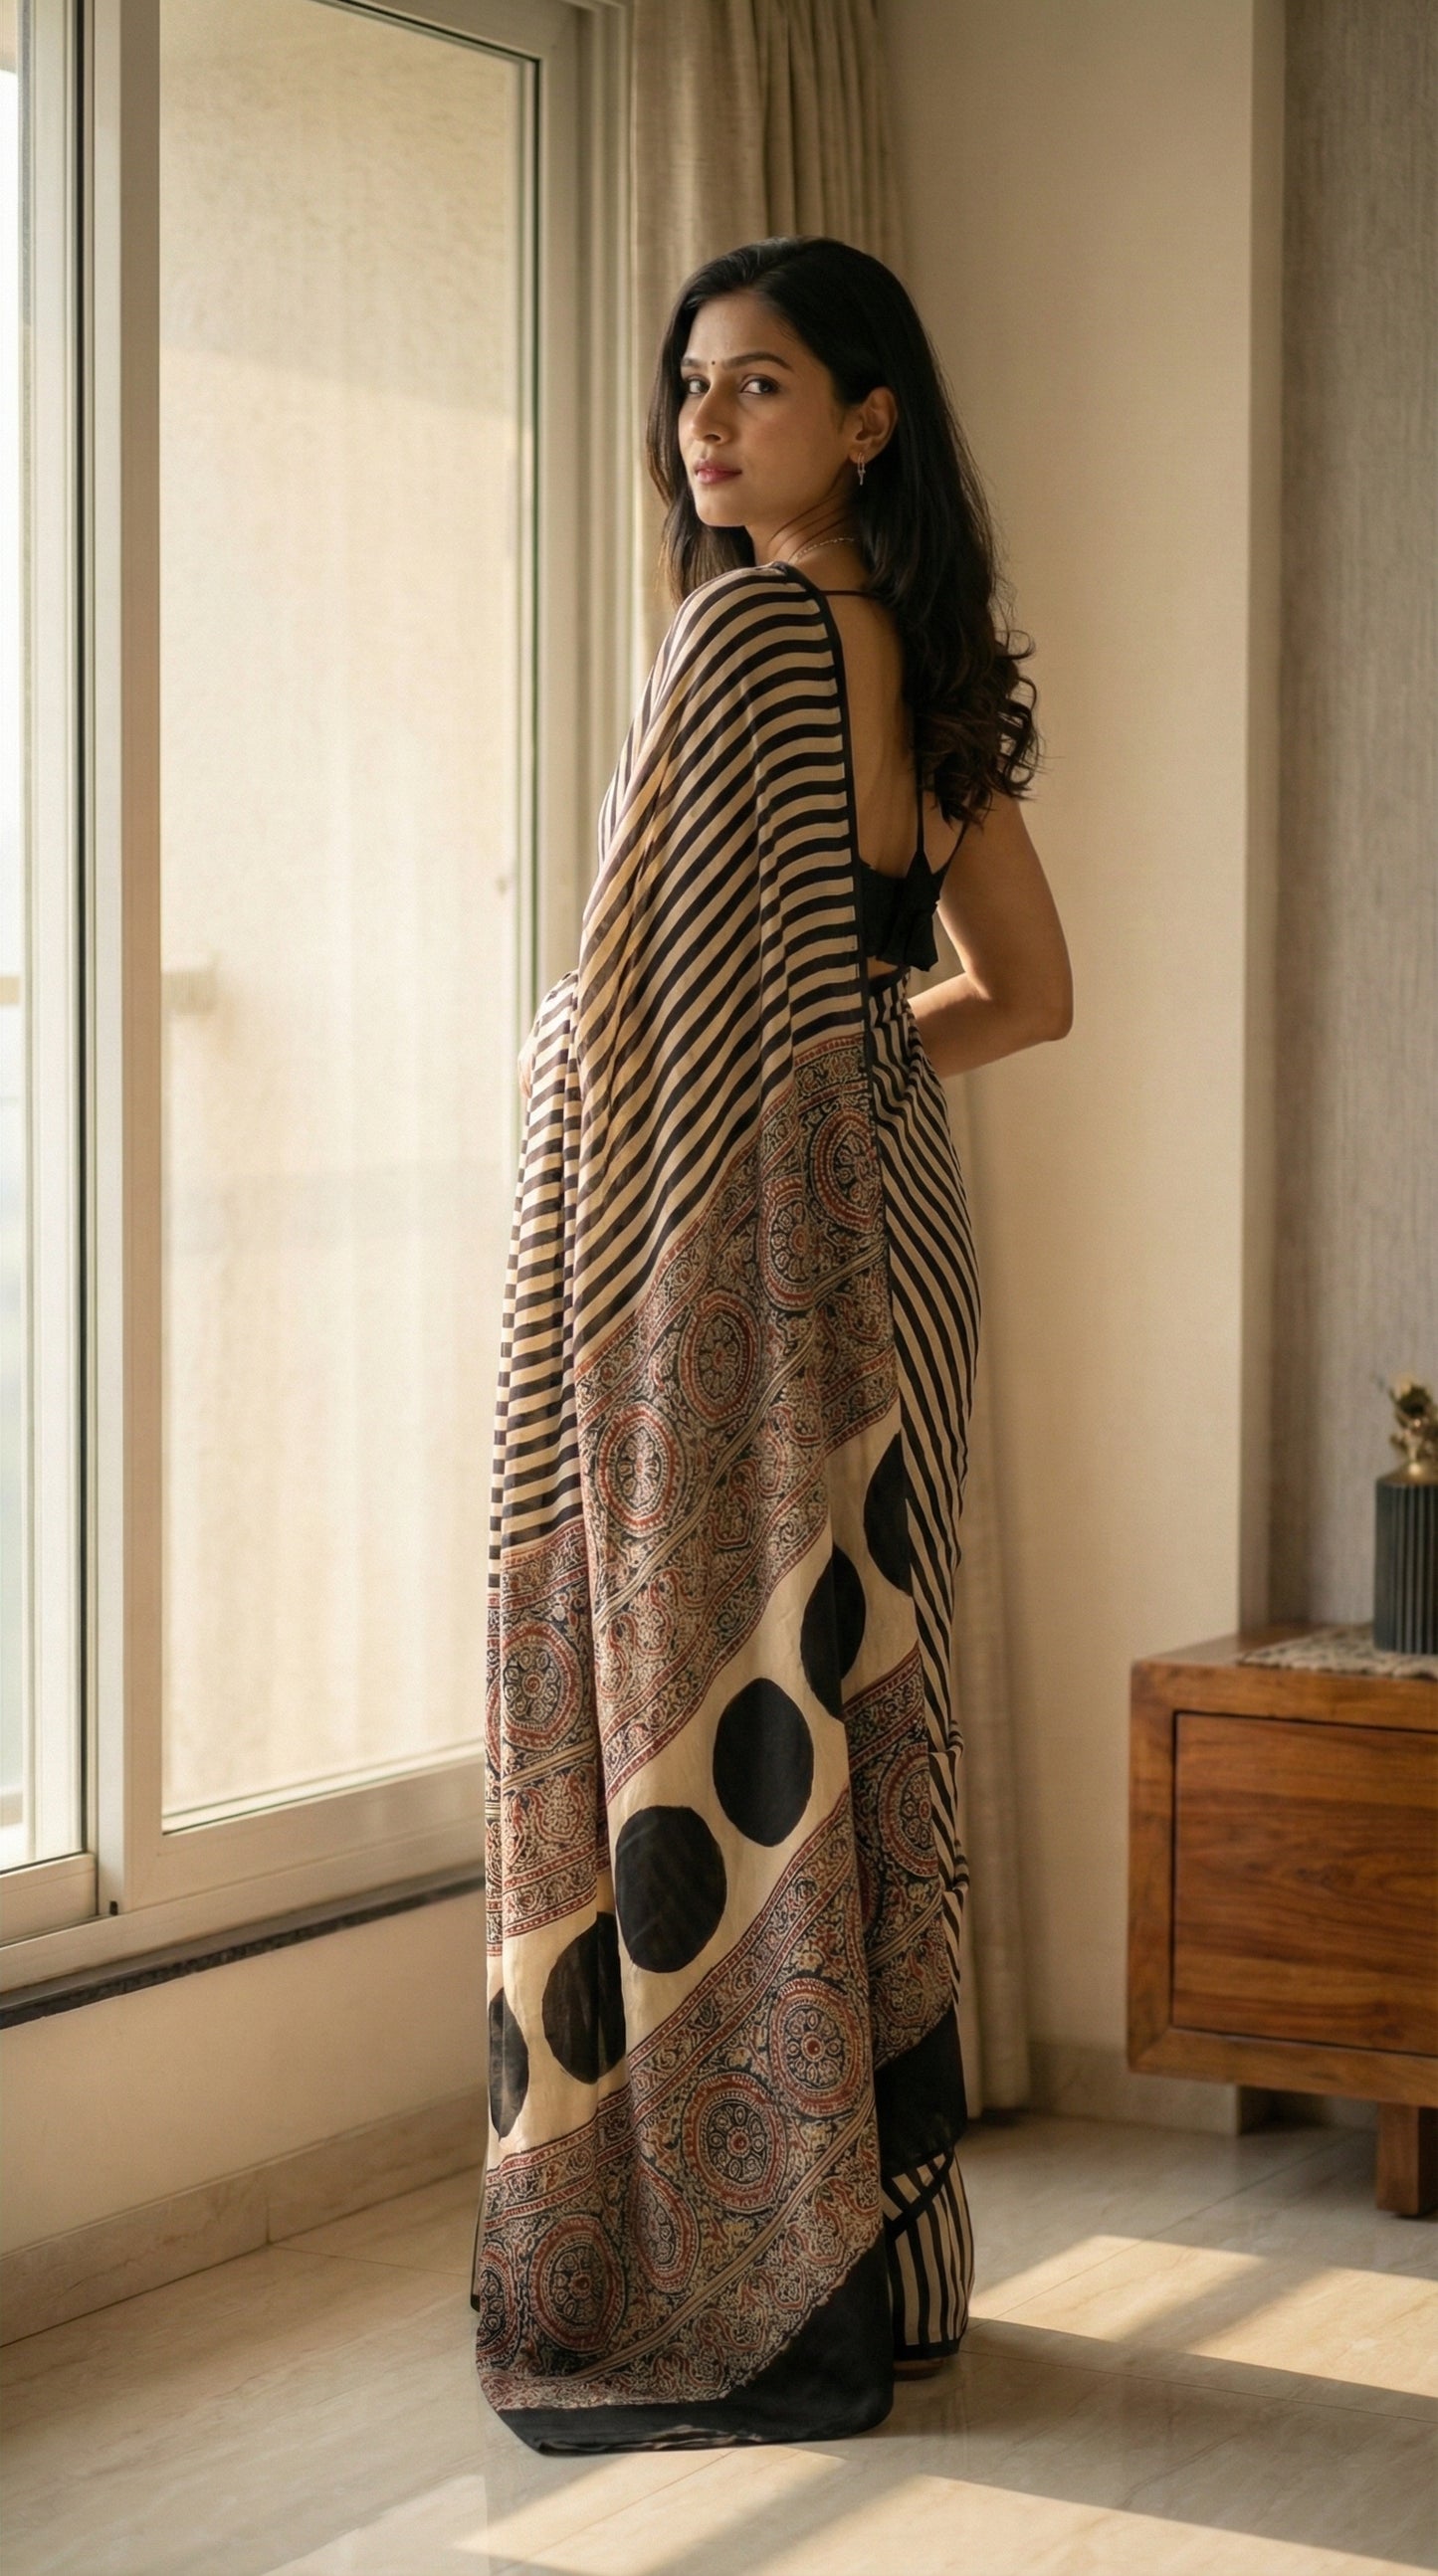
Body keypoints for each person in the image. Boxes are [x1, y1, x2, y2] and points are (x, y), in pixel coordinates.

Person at [472, 236, 1072, 2454]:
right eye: (693, 391)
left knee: (691, 1693)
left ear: (870, 416)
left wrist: (663, 1119)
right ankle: (883, 2274)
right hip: (885, 1238)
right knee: (849, 1694)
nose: (709, 427)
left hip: (720, 1261)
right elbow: (1025, 991)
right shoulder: (926, 663)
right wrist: (834, 1075)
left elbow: (629, 1017)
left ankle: (719, 2269)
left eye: (761, 387)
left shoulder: (737, 631)